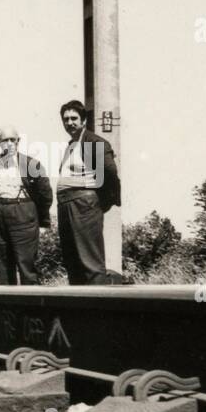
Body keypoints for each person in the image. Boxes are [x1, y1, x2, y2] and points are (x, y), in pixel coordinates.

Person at [55, 99, 121, 285]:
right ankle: (78, 310)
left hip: (84, 205)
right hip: (67, 206)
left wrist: (102, 202)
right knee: (72, 261)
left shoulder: (93, 141)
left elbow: (110, 173)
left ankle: (98, 309)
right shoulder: (71, 145)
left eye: (74, 118)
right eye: (66, 119)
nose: (70, 123)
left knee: (90, 262)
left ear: (83, 120)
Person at [0, 125, 52, 285]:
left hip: (23, 213)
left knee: (26, 264)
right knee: (2, 264)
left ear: (18, 141)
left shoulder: (31, 164)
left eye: (12, 140)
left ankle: (30, 306)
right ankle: (6, 307)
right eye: (4, 140)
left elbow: (45, 194)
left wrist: (41, 221)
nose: (9, 144)